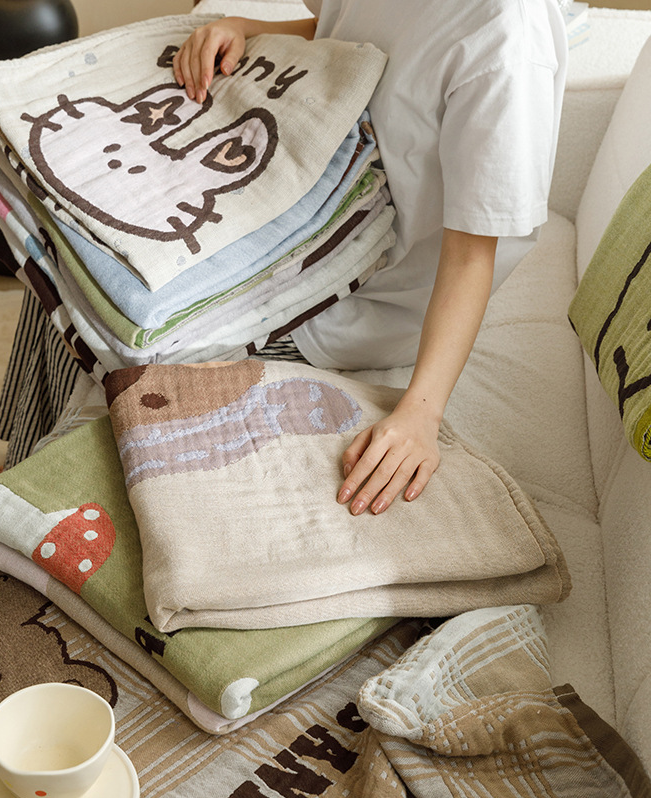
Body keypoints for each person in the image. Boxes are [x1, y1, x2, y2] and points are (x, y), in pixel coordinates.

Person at [173, 1, 567, 516]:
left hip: (365, 297)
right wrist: (244, 26)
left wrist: (420, 414)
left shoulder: (506, 41)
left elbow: (471, 258)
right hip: (298, 207)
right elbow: (348, 28)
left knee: (139, 340)